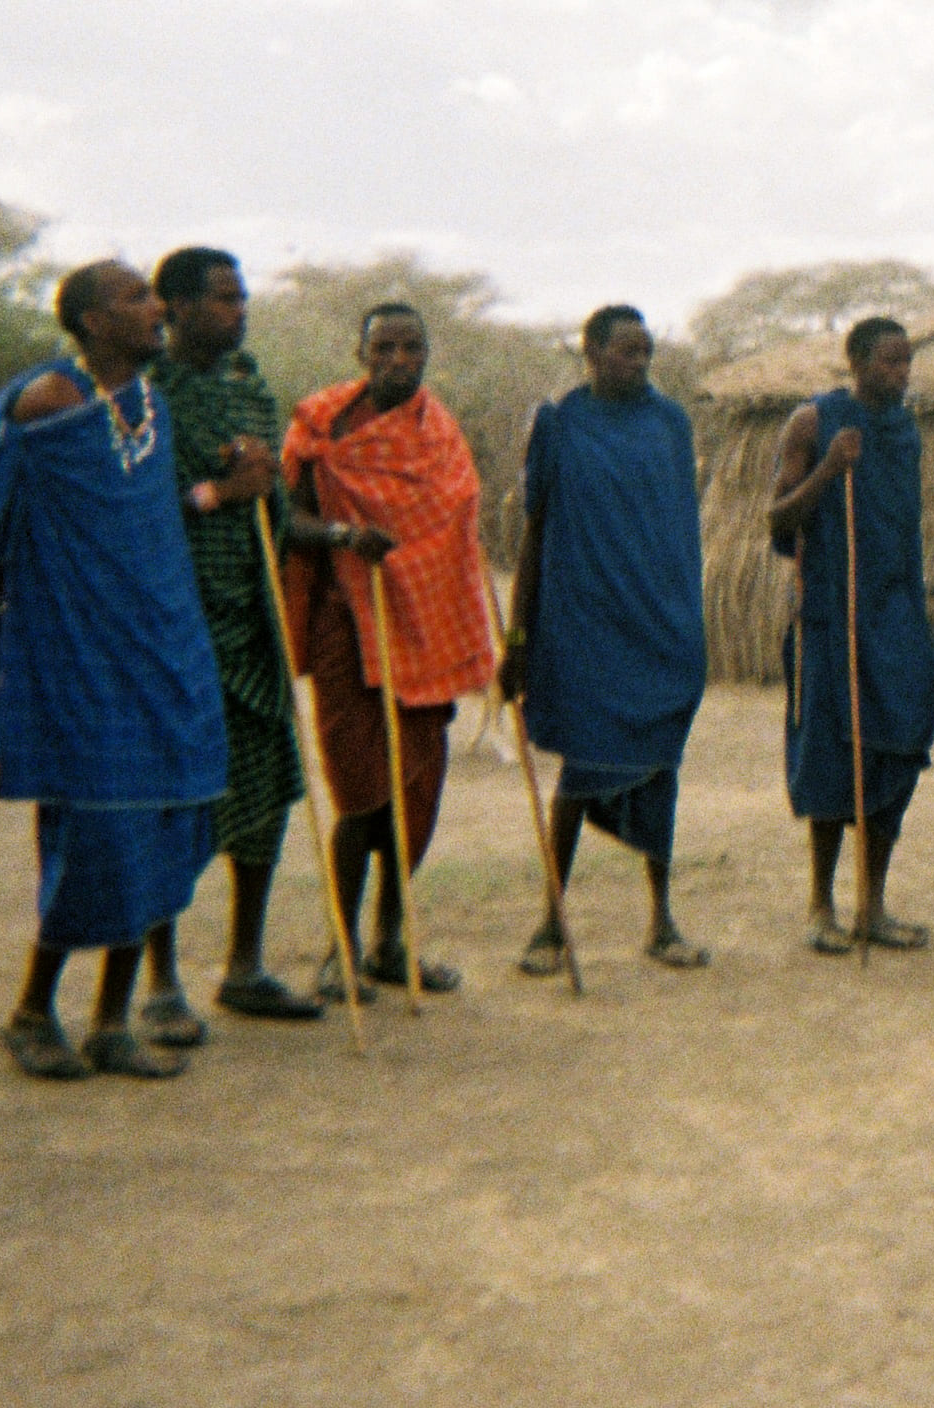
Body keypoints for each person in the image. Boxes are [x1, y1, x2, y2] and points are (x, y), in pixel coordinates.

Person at [0, 260, 227, 1081]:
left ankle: (111, 1023)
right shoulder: (47, 398)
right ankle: (30, 1011)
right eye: (135, 298)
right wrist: (7, 605)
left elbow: (149, 520)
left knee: (163, 821)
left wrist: (217, 496)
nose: (157, 308)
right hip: (80, 656)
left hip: (162, 648)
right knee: (95, 830)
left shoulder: (149, 406)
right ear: (90, 320)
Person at [283, 302, 497, 1000]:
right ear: (360, 351)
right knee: (358, 789)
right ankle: (336, 949)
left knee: (415, 791)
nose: (397, 360)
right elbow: (284, 520)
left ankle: (389, 941)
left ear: (426, 355)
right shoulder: (322, 427)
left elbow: (456, 523)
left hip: (424, 627)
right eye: (384, 346)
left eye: (411, 347)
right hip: (346, 619)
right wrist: (344, 537)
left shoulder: (439, 436)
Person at [133, 247, 319, 1037]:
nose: (237, 311)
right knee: (176, 799)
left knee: (264, 789)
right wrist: (216, 491)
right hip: (177, 621)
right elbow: (128, 513)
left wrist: (261, 485)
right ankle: (160, 980)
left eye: (241, 297)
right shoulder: (145, 400)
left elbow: (269, 508)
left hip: (252, 613)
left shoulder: (251, 390)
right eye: (219, 298)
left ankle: (244, 965)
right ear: (171, 306)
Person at [505, 305, 711, 975]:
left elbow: (679, 532)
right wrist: (517, 633)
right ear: (589, 351)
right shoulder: (559, 425)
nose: (639, 361)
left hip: (657, 626)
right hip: (584, 627)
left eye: (646, 350)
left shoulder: (669, 423)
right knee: (582, 770)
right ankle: (550, 921)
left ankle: (661, 920)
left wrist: (685, 624)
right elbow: (536, 531)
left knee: (659, 768)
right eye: (625, 349)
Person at [770, 317, 932, 953]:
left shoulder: (908, 429)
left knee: (894, 748)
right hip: (830, 614)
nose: (900, 373)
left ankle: (873, 904)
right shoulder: (812, 423)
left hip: (893, 609)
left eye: (906, 361)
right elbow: (778, 525)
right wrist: (827, 471)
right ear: (857, 362)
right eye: (888, 362)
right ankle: (820, 904)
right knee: (833, 758)